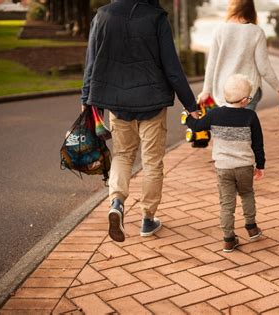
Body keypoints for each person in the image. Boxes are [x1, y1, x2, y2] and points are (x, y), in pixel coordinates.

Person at [81, 0, 198, 242]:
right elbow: (173, 69)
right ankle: (147, 219)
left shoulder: (102, 16)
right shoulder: (156, 17)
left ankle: (117, 203)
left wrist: (87, 99)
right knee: (152, 161)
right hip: (152, 102)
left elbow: (91, 63)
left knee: (123, 155)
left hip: (117, 103)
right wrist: (191, 105)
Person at [186, 74, 264, 252]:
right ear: (245, 100)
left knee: (227, 204)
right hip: (244, 167)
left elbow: (196, 127)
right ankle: (252, 228)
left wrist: (189, 116)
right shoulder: (250, 117)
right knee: (247, 194)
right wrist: (260, 165)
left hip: (223, 168)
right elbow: (258, 144)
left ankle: (228, 238)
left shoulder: (215, 114)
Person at [198, 0, 279, 111]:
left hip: (224, 92)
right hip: (248, 92)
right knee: (244, 127)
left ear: (232, 7)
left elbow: (211, 64)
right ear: (250, 9)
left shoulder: (219, 30)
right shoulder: (256, 32)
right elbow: (264, 67)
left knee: (224, 127)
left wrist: (206, 91)